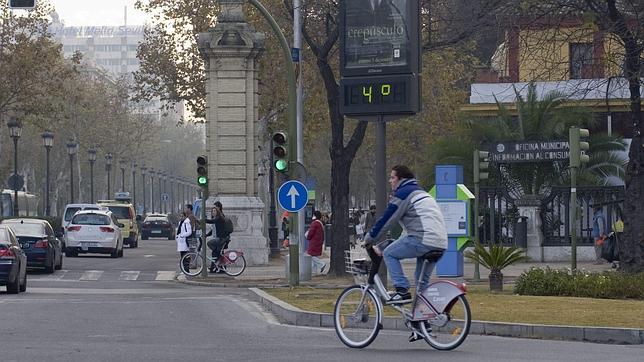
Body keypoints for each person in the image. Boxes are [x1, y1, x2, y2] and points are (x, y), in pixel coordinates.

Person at [364, 165, 448, 304]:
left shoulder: (403, 193)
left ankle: (401, 290)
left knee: (389, 253)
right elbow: (413, 226)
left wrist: (370, 238)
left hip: (423, 239)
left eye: (392, 177)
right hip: (440, 242)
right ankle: (421, 320)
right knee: (422, 282)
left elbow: (387, 220)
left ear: (401, 179)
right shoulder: (421, 192)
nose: (390, 181)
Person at [206, 201, 233, 273]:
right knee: (216, 253)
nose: (214, 210)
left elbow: (213, 222)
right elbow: (213, 228)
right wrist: (207, 235)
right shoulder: (215, 217)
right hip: (217, 237)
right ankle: (215, 268)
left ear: (219, 208)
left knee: (217, 252)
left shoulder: (220, 216)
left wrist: (204, 220)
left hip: (222, 238)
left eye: (215, 208)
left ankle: (219, 268)